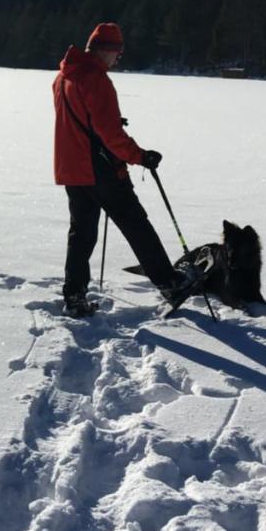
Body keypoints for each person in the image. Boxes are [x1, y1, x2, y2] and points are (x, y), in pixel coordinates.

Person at [53, 22, 194, 316]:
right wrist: (141, 156)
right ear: (105, 50)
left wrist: (107, 126)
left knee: (81, 233)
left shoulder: (64, 76)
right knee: (136, 225)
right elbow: (111, 136)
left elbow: (82, 122)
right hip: (100, 170)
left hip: (72, 168)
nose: (119, 59)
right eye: (118, 52)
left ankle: (74, 296)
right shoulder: (96, 80)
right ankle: (170, 284)